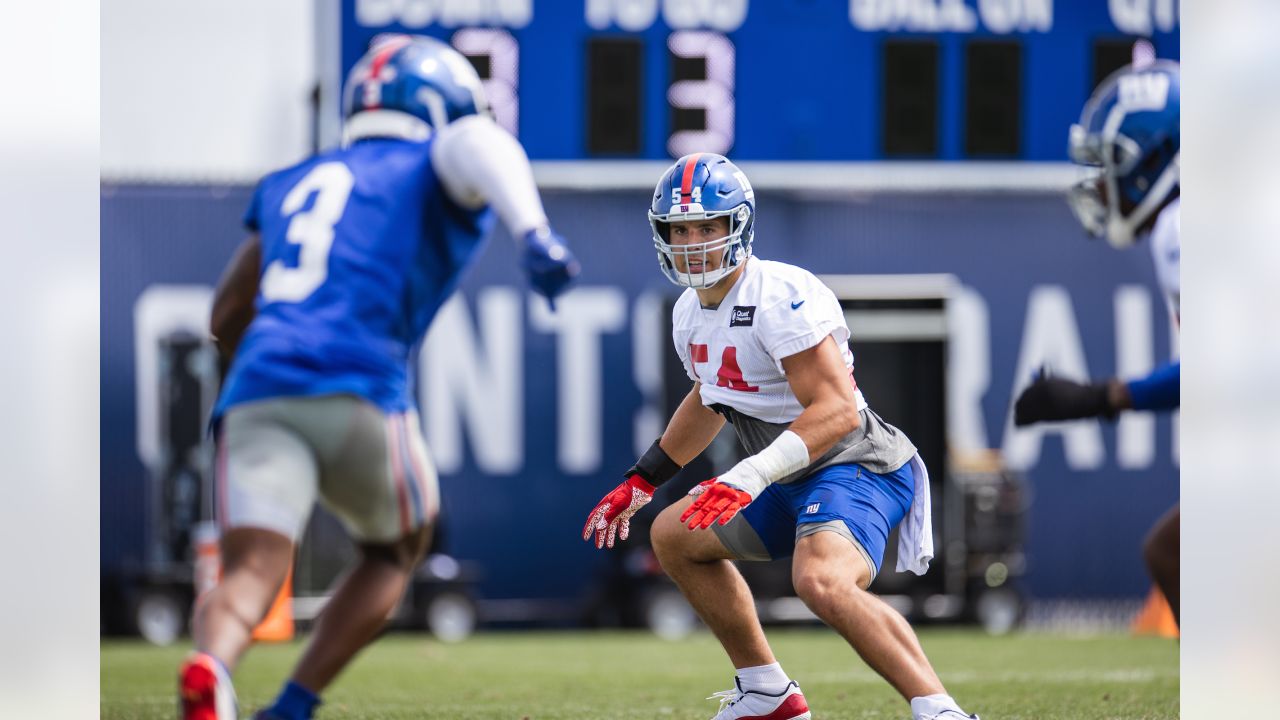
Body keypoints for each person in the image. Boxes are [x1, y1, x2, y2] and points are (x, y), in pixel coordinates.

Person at [178, 34, 579, 720]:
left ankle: (210, 667)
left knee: (249, 571)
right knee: (396, 552)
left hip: (258, 389)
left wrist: (266, 370)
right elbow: (480, 144)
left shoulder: (294, 179)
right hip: (360, 384)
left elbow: (226, 311)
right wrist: (534, 233)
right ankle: (294, 704)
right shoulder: (433, 156)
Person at [583, 153, 978, 720]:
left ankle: (940, 711)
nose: (693, 241)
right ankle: (767, 691)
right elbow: (710, 399)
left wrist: (750, 473)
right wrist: (644, 478)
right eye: (682, 228)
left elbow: (838, 410)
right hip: (783, 475)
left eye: (708, 227)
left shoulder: (780, 293)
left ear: (737, 227)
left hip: (856, 463)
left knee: (820, 580)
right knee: (673, 536)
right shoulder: (689, 314)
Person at [1014, 55, 1180, 625]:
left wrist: (1101, 397)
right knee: (1173, 550)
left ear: (1155, 158)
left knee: (1176, 552)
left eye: (1112, 164)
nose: (1102, 183)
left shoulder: (1183, 226)